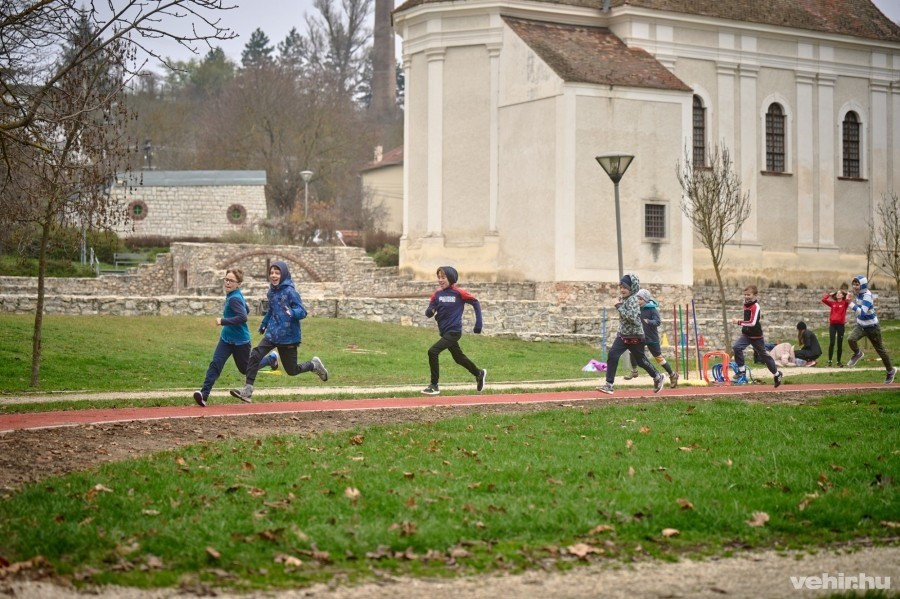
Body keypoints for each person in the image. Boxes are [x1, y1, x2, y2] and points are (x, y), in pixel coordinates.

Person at [229, 261, 328, 403]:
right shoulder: (272, 292)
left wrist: (292, 312)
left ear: (284, 274)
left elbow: (303, 311)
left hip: (288, 337)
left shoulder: (290, 291)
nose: (273, 275)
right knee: (256, 354)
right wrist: (264, 324)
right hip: (273, 333)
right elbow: (271, 310)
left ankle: (314, 365)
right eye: (271, 272)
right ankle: (247, 390)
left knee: (292, 370)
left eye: (277, 272)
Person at [193, 269, 278, 407]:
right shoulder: (234, 295)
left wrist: (223, 321)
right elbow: (247, 310)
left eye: (231, 280)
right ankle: (204, 395)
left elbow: (243, 317)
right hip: (226, 339)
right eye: (226, 279)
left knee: (245, 369)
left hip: (240, 342)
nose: (227, 282)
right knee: (216, 364)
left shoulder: (234, 298)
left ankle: (271, 359)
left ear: (238, 284)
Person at [421, 266, 486, 395]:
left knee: (432, 351)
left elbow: (476, 302)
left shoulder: (459, 293)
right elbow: (429, 312)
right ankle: (479, 373)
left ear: (450, 278)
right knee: (458, 358)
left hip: (454, 331)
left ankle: (434, 385)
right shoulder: (437, 295)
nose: (440, 280)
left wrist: (478, 324)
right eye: (439, 277)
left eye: (443, 277)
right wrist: (430, 311)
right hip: (444, 332)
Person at [597, 274, 666, 395]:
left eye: (625, 287)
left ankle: (657, 377)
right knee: (613, 355)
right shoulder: (625, 298)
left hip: (635, 336)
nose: (622, 289)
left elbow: (633, 318)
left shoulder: (634, 299)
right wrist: (620, 305)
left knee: (640, 361)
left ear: (632, 288)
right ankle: (609, 385)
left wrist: (618, 306)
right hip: (623, 335)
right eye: (621, 287)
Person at [846, 275, 897, 384]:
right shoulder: (858, 293)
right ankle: (858, 353)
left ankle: (890, 371)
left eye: (857, 284)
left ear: (862, 285)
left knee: (880, 350)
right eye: (854, 284)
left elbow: (863, 312)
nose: (855, 287)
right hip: (861, 326)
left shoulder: (867, 296)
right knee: (851, 339)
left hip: (872, 327)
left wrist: (850, 303)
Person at [732, 285, 783, 387]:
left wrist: (738, 322)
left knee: (764, 356)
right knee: (736, 347)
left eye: (749, 294)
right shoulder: (745, 304)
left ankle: (777, 374)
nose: (747, 296)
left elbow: (752, 323)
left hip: (756, 337)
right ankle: (741, 371)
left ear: (755, 295)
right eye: (745, 294)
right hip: (746, 335)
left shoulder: (756, 306)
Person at [631, 289, 679, 388]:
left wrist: (649, 321)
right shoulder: (637, 309)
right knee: (633, 351)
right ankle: (635, 371)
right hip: (641, 337)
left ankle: (672, 375)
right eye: (637, 299)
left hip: (652, 338)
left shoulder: (652, 309)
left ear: (646, 299)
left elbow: (658, 322)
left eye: (640, 299)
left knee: (659, 359)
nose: (638, 301)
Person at [821, 285, 849, 367]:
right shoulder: (832, 303)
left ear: (842, 296)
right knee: (832, 343)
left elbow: (849, 298)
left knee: (839, 344)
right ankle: (829, 362)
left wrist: (846, 293)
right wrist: (829, 294)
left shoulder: (844, 303)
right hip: (832, 325)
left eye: (840, 293)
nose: (838, 294)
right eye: (837, 293)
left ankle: (838, 362)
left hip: (841, 325)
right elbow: (823, 300)